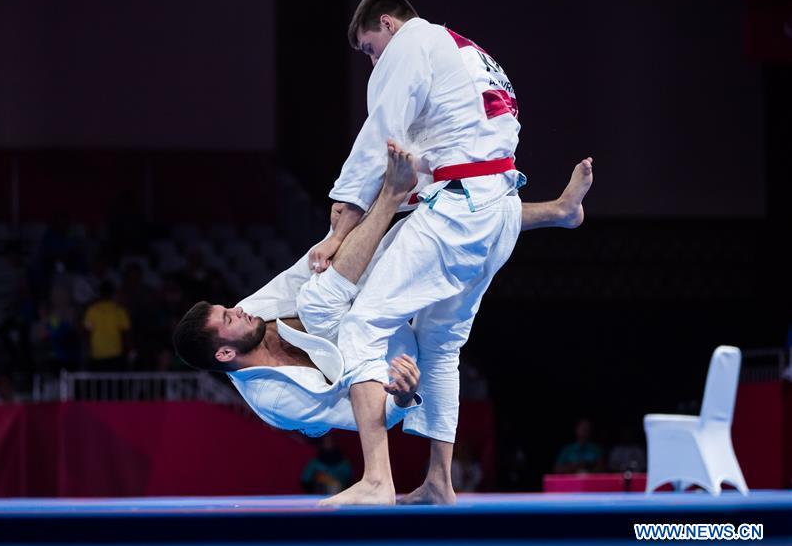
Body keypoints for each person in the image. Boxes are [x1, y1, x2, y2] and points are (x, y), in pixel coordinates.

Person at [173, 144, 592, 459]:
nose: (240, 308)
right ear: (225, 351)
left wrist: (337, 236)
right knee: (319, 307)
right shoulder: (277, 402)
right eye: (229, 317)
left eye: (229, 306)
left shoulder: (255, 314)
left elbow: (301, 274)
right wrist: (405, 397)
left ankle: (559, 211)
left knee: (424, 230)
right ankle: (393, 194)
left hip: (364, 308)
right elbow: (368, 415)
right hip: (387, 359)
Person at [309, 0, 534, 505]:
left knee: (362, 323)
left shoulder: (410, 43)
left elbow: (379, 139)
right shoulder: (471, 53)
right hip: (499, 210)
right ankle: (439, 481)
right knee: (440, 343)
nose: (373, 61)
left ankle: (375, 479)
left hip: (460, 209)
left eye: (369, 48)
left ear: (388, 24)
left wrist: (340, 227)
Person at [82, 281, 132, 371]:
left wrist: (88, 348)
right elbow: (126, 333)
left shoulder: (92, 310)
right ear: (112, 293)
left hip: (97, 353)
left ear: (100, 293)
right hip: (115, 354)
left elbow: (87, 332)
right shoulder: (119, 310)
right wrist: (128, 350)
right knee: (113, 383)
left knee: (98, 383)